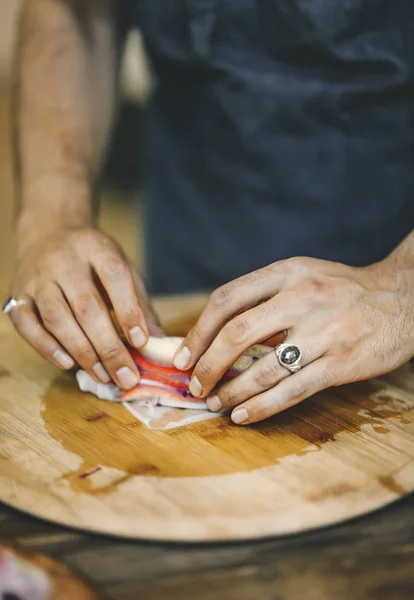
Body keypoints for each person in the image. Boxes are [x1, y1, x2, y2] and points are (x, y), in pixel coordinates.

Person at [4, 0, 414, 425]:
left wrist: (401, 287)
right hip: (193, 223)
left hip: (385, 244)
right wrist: (53, 216)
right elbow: (76, 12)